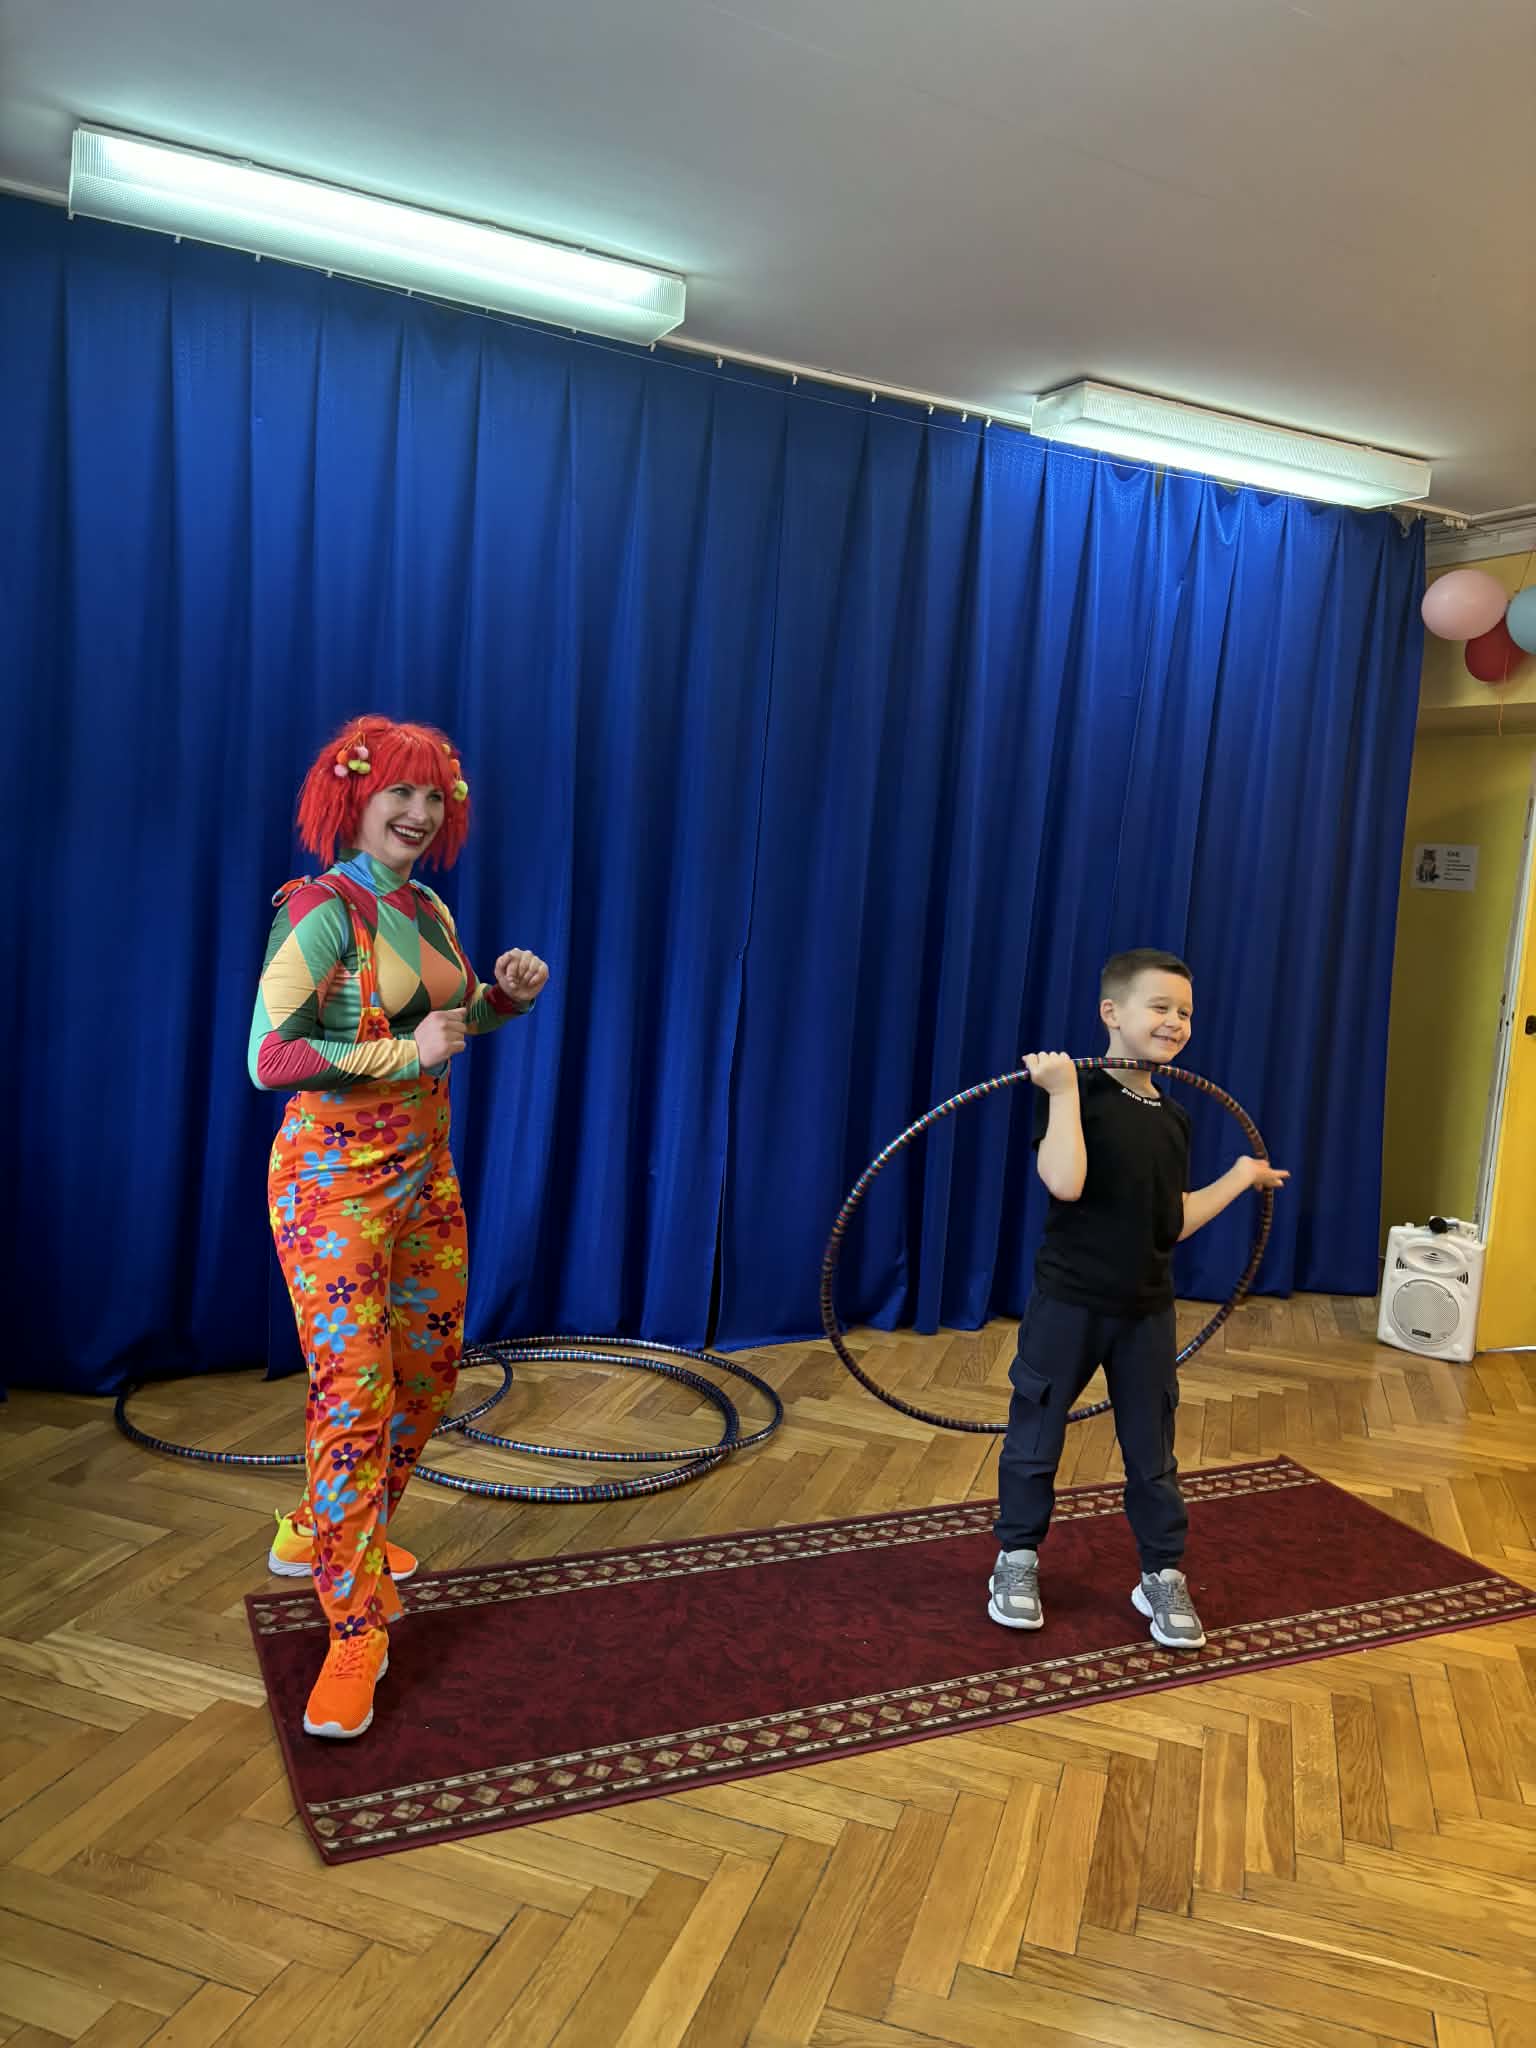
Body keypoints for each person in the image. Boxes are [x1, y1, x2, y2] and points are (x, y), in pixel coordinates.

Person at [248, 716, 549, 1738]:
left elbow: (449, 1024)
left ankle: (327, 1527)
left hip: (424, 1178)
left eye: (434, 797)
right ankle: (353, 1624)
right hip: (329, 1186)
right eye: (400, 793)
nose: (418, 813)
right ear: (355, 798)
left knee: (426, 1375)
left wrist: (502, 1000)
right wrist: (398, 1054)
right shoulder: (319, 910)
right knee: (354, 1396)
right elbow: (270, 1058)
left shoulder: (426, 907)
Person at [989, 949, 1288, 1650]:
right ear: (1112, 1013)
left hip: (1147, 1311)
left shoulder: (1174, 1119)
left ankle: (1161, 1571)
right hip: (1068, 1304)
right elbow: (1064, 1182)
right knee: (1036, 1440)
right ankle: (1017, 1559)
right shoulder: (1076, 1093)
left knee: (1153, 1455)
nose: (1175, 1022)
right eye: (1160, 1007)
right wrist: (1063, 1092)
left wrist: (1239, 1177)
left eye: (1185, 1012)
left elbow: (1170, 1222)